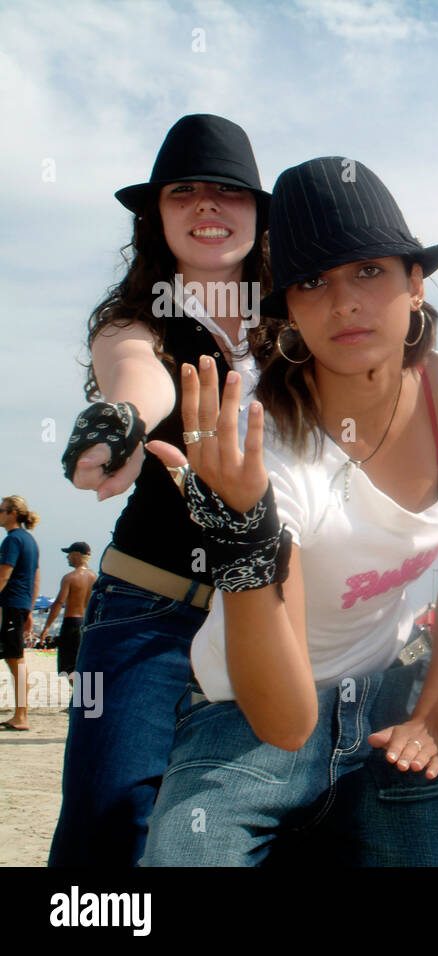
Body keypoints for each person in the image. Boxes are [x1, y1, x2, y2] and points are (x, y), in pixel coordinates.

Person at [139, 156, 438, 865]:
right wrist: (243, 537)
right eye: (313, 282)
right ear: (289, 311)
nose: (344, 302)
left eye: (368, 271)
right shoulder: (269, 446)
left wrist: (435, 714)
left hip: (395, 698)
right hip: (246, 717)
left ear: (415, 282)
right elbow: (286, 723)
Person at [49, 114, 271, 866]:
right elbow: (134, 376)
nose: (207, 206)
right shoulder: (134, 322)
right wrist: (118, 423)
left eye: (227, 192)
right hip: (148, 616)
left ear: (256, 212)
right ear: (158, 215)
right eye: (185, 193)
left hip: (274, 618)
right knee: (110, 823)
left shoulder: (298, 323)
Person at [0, 496, 40, 732]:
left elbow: (4, 576)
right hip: (20, 604)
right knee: (14, 659)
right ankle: (20, 713)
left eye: (1, 509)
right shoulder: (29, 540)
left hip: (11, 604)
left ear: (12, 513)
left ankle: (21, 715)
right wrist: (30, 609)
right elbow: (35, 578)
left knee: (15, 660)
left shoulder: (13, 540)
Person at [37, 543, 97, 678]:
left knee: (69, 668)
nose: (67, 558)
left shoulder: (70, 577)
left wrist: (46, 627)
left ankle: (82, 695)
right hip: (89, 623)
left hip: (72, 623)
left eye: (69, 554)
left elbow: (59, 602)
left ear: (77, 555)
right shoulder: (96, 578)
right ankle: (87, 695)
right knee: (84, 664)